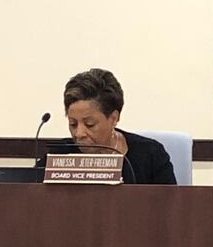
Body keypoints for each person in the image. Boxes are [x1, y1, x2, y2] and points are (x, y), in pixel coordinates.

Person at [43, 68, 176, 184]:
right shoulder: (58, 156)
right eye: (73, 123)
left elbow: (171, 207)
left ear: (114, 118)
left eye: (90, 124)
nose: (79, 133)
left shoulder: (150, 155)